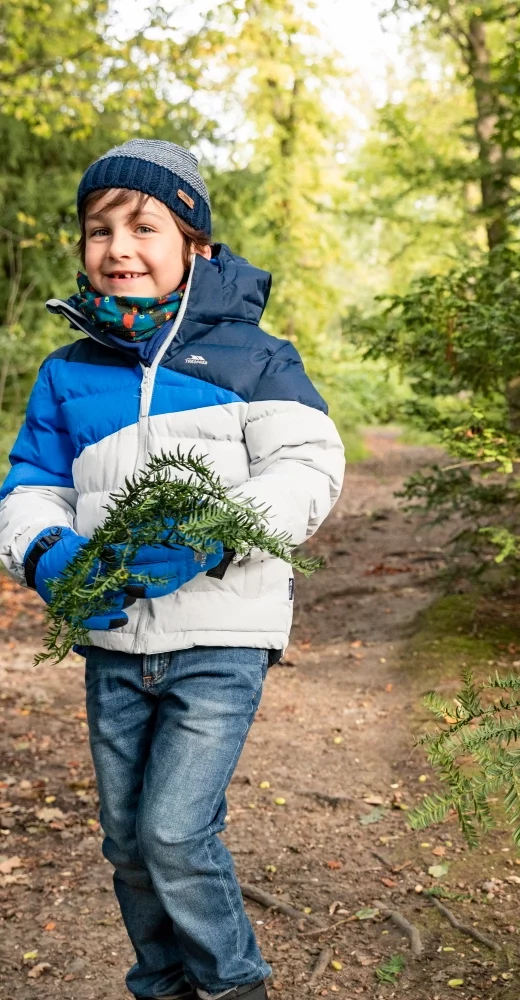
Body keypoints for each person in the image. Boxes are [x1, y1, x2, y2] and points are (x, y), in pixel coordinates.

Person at [0, 140, 345, 1000]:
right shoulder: (68, 372)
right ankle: (162, 983)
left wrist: (216, 529)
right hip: (114, 643)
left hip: (221, 638)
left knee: (175, 832)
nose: (118, 248)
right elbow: (31, 486)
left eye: (143, 227)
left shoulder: (254, 356)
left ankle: (233, 985)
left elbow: (309, 465)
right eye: (99, 230)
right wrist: (48, 552)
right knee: (127, 841)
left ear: (196, 245)